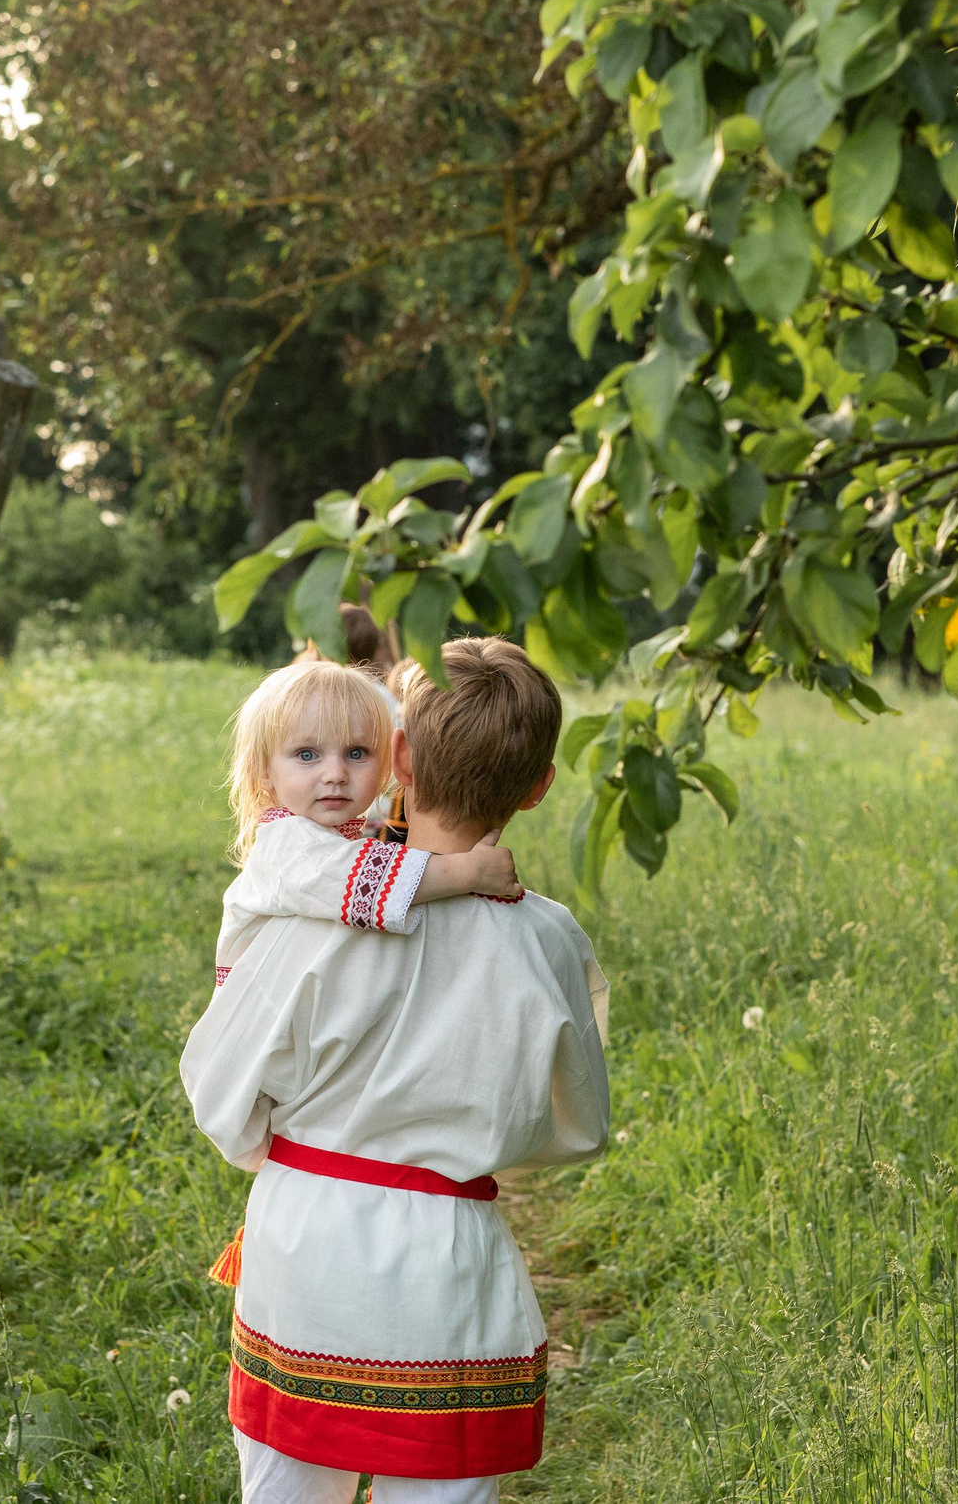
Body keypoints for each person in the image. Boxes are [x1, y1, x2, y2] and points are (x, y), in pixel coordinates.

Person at [182, 638, 612, 1503]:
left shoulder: (310, 918)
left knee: (286, 1490)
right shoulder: (548, 937)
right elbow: (575, 1124)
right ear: (539, 787)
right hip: (453, 1264)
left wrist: (289, 1159)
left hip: (305, 1240)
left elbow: (221, 1091)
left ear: (397, 756)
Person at [214, 659, 518, 986]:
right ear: (263, 771)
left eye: (357, 753)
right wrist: (470, 871)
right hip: (259, 1025)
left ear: (387, 760)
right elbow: (360, 880)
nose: (336, 775)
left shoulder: (322, 834)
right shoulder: (289, 844)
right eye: (307, 755)